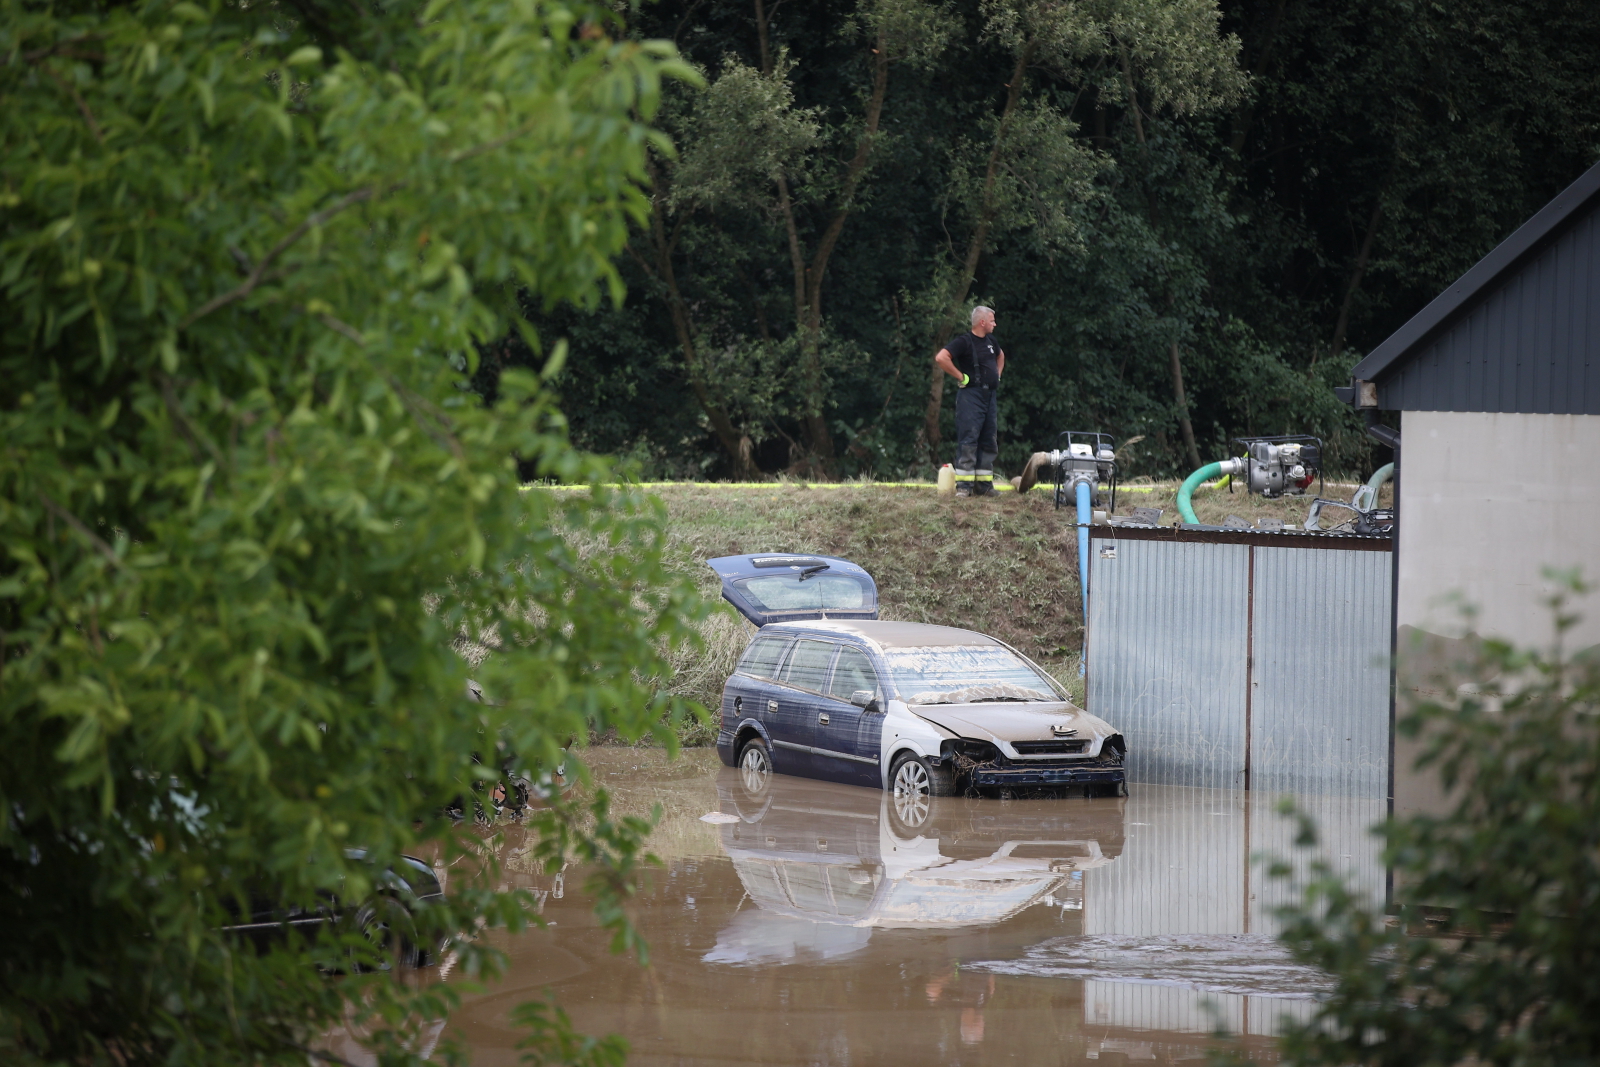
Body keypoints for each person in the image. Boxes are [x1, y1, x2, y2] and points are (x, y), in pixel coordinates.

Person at [934, 306, 1005, 496]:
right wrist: (961, 377)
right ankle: (964, 487)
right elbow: (941, 358)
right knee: (969, 439)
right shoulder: (964, 341)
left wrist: (996, 376)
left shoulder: (991, 341)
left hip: (989, 396)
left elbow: (1001, 356)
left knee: (988, 439)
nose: (995, 324)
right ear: (982, 322)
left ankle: (984, 486)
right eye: (992, 320)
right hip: (971, 396)